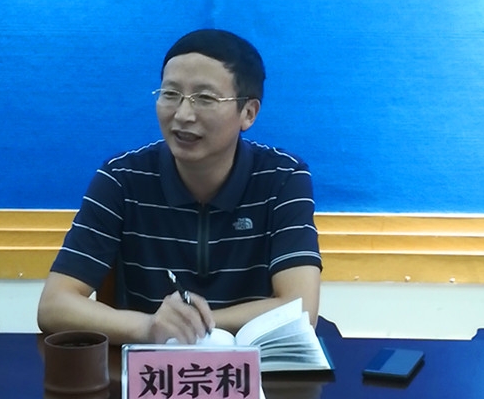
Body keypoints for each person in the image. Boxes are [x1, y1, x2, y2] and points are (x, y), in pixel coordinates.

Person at [37, 29, 321, 345]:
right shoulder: (121, 178)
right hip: (151, 368)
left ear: (248, 113)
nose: (183, 115)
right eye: (170, 94)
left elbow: (300, 308)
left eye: (205, 98)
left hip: (252, 368)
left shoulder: (283, 178)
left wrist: (187, 326)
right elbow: (54, 305)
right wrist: (149, 327)